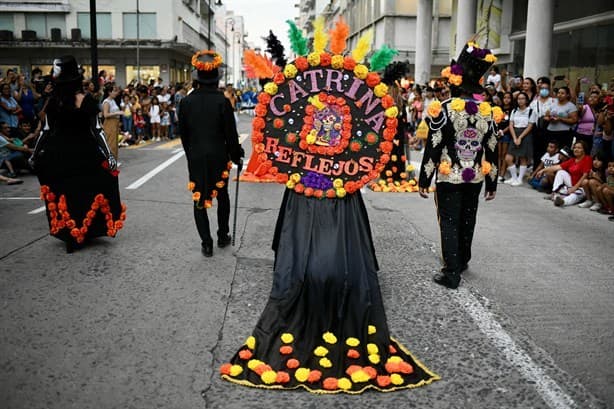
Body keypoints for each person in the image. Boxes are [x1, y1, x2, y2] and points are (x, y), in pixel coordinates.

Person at [420, 41, 499, 289]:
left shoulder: (444, 110)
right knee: (468, 219)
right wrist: (492, 183)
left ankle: (451, 272)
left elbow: (433, 145)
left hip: (449, 177)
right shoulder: (487, 111)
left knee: (450, 222)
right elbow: (493, 149)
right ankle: (462, 260)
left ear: (456, 84)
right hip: (474, 177)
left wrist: (424, 179)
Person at [31, 55, 126, 253]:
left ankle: (70, 234)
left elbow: (46, 131)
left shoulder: (53, 101)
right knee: (85, 191)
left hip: (59, 154)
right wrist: (109, 156)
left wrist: (35, 153)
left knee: (64, 192)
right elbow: (97, 130)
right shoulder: (85, 100)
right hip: (85, 153)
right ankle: (85, 231)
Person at [178, 50, 243, 257]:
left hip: (196, 156)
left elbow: (184, 135)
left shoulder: (186, 102)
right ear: (216, 79)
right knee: (222, 195)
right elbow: (230, 135)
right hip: (218, 155)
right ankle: (223, 235)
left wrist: (191, 154)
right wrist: (236, 154)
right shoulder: (222, 101)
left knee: (199, 198)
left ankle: (206, 243)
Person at [537, 141, 592, 207]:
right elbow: (557, 167)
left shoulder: (587, 159)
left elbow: (585, 175)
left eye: (579, 148)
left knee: (575, 195)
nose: (576, 149)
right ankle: (554, 193)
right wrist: (543, 170)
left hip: (581, 186)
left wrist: (575, 187)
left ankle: (563, 202)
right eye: (575, 148)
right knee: (561, 172)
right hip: (571, 183)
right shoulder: (572, 160)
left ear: (584, 150)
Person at [505, 91, 537, 186]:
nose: (520, 101)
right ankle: (514, 177)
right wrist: (515, 137)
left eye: (523, 98)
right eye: (519, 99)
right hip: (515, 133)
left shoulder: (531, 111)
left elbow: (530, 126)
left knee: (523, 158)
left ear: (526, 100)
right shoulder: (514, 111)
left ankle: (520, 179)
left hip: (525, 134)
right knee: (508, 158)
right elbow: (511, 125)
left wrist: (520, 137)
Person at [101, 84, 122, 158]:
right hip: (109, 123)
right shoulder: (106, 102)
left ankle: (113, 162)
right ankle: (110, 162)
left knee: (114, 143)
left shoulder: (112, 100)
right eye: (114, 91)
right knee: (110, 143)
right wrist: (117, 113)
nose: (116, 93)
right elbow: (105, 115)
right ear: (109, 92)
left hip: (115, 123)